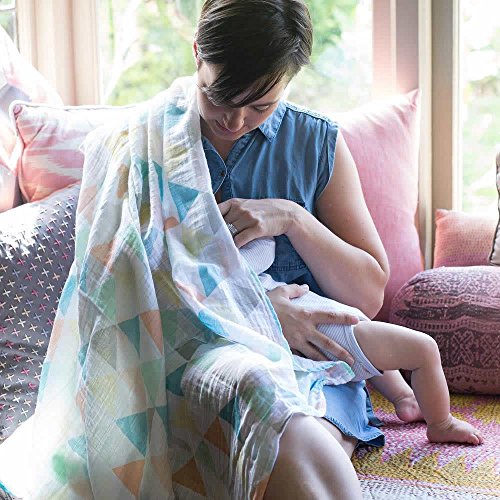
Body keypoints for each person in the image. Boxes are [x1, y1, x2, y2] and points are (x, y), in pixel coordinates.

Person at [193, 1, 479, 498]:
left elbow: (366, 296)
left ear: (289, 81)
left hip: (317, 366)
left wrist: (293, 218)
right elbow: (130, 287)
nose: (235, 120)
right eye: (218, 96)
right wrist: (258, 314)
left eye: (260, 106)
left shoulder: (314, 143)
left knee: (295, 448)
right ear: (197, 53)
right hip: (196, 359)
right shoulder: (154, 142)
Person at [238, 235, 483, 439]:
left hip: (332, 334)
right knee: (424, 349)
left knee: (374, 354)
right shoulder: (225, 267)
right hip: (332, 334)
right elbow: (262, 250)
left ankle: (405, 398)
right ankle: (441, 424)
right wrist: (246, 231)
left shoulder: (224, 282)